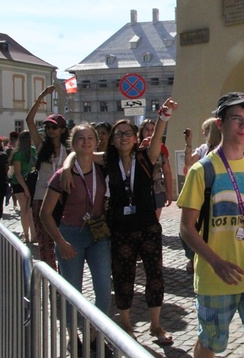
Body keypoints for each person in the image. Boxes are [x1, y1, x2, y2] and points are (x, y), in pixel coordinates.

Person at [62, 98, 177, 345]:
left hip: (147, 227)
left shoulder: (147, 157)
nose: (123, 137)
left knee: (155, 275)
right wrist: (67, 165)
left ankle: (156, 326)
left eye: (127, 133)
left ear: (135, 138)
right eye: (118, 134)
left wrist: (163, 116)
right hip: (120, 230)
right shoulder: (107, 161)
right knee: (123, 277)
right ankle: (125, 324)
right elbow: (79, 153)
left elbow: (158, 135)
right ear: (112, 140)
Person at [177, 92, 244, 358]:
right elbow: (186, 228)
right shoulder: (203, 170)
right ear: (220, 124)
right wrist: (216, 262)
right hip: (215, 276)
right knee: (210, 345)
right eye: (236, 119)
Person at [40, 123, 112, 354]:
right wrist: (61, 242)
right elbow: (44, 214)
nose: (86, 142)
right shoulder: (62, 175)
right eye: (81, 138)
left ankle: (93, 333)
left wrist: (70, 160)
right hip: (70, 235)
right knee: (73, 292)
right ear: (73, 142)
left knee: (103, 290)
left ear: (96, 141)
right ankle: (74, 337)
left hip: (98, 234)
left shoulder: (102, 166)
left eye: (90, 137)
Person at [26, 85, 70, 269]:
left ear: (62, 129)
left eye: (54, 127)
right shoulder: (41, 145)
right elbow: (29, 121)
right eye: (47, 127)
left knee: (63, 238)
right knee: (44, 242)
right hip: (40, 198)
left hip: (62, 199)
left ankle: (65, 273)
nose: (50, 130)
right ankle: (49, 276)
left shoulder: (69, 149)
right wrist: (41, 96)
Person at [181, 117, 220, 273]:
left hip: (216, 193)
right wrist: (188, 143)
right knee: (191, 227)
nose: (203, 133)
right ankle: (192, 257)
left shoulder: (224, 148)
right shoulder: (204, 148)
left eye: (206, 131)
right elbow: (189, 161)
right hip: (201, 193)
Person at [138, 119, 173, 219]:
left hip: (157, 188)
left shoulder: (161, 148)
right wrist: (141, 147)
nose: (149, 133)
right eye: (147, 130)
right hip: (140, 190)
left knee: (154, 220)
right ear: (142, 131)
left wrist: (169, 193)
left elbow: (167, 171)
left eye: (153, 130)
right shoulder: (135, 146)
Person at [10, 130, 37, 242]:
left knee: (30, 209)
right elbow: (17, 173)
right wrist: (25, 188)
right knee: (24, 209)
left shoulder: (33, 150)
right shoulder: (18, 154)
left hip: (30, 181)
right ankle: (26, 235)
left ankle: (33, 235)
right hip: (19, 183)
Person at [4, 131, 19, 208]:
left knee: (15, 188)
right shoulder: (9, 150)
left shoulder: (19, 148)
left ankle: (16, 203)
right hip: (12, 170)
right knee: (14, 187)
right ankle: (15, 203)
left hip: (16, 169)